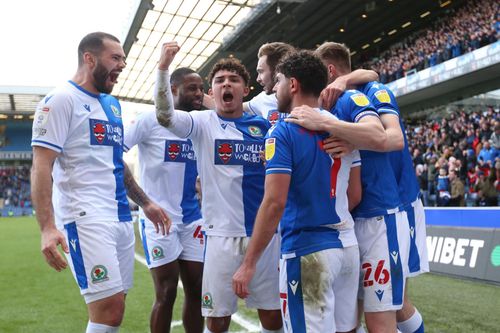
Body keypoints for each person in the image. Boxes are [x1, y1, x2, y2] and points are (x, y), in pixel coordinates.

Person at [30, 32, 170, 333]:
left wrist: (145, 202)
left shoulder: (112, 105)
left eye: (123, 58)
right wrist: (47, 228)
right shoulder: (60, 100)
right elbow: (41, 166)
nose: (123, 64)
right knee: (108, 310)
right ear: (89, 58)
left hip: (119, 215)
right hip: (85, 216)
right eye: (115, 58)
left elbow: (115, 161)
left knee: (116, 306)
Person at [154, 42, 282, 333]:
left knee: (273, 318)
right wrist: (163, 69)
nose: (227, 84)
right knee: (217, 320)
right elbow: (165, 115)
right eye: (220, 81)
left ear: (245, 90)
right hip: (221, 238)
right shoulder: (201, 123)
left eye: (234, 80)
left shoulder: (263, 127)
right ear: (212, 92)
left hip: (264, 236)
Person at [232, 50, 362, 333]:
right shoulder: (344, 130)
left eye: (277, 81)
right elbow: (354, 195)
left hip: (308, 251)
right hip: (348, 247)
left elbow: (274, 202)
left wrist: (249, 262)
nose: (274, 88)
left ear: (293, 85)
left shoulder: (282, 132)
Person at [287, 42, 412, 333]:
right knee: (351, 320)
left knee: (382, 321)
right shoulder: (330, 106)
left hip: (380, 216)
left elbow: (386, 138)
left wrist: (343, 134)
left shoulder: (352, 97)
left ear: (328, 72)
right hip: (351, 224)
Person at [316, 41, 428, 333]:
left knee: (394, 303)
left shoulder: (374, 92)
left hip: (394, 203)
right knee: (375, 305)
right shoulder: (339, 100)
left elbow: (392, 140)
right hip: (362, 209)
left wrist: (352, 140)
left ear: (330, 72)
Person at [123, 67, 205, 333]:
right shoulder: (149, 120)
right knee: (167, 291)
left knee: (197, 290)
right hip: (160, 221)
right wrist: (143, 201)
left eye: (201, 88)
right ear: (172, 90)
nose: (199, 93)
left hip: (193, 220)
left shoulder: (200, 124)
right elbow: (114, 154)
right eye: (192, 87)